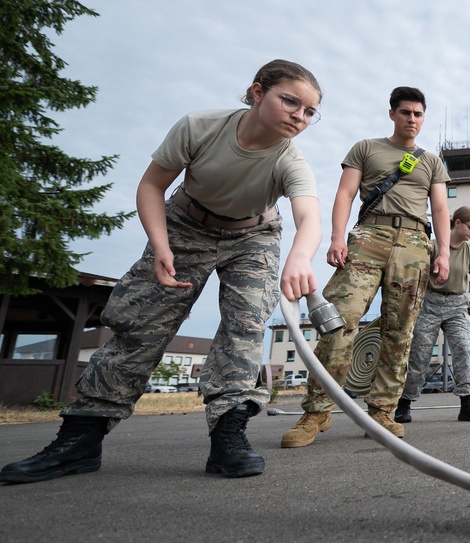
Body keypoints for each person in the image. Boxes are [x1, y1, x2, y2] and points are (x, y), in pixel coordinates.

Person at [0, 60, 324, 483]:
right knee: (139, 325)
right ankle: (79, 440)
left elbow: (308, 215)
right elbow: (152, 184)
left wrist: (299, 258)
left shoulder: (290, 160)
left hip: (253, 238)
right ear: (258, 92)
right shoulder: (200, 127)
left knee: (246, 326)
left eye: (310, 111)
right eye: (290, 102)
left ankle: (229, 437)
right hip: (185, 225)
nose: (299, 116)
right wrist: (160, 245)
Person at [281, 86, 451, 447]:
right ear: (392, 114)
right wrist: (337, 238)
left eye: (418, 114)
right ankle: (316, 411)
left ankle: (381, 412)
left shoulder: (431, 160)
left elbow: (439, 210)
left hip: (414, 244)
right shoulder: (366, 148)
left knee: (399, 331)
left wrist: (444, 253)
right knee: (339, 320)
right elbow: (344, 193)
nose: (412, 119)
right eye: (405, 112)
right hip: (368, 237)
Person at [395, 206, 470, 424]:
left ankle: (467, 405)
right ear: (457, 223)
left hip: (457, 306)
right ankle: (404, 405)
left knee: (463, 348)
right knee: (420, 355)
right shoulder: (433, 246)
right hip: (429, 303)